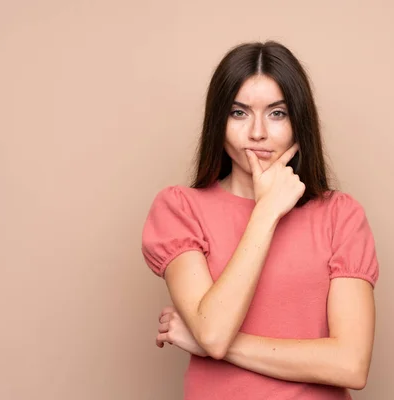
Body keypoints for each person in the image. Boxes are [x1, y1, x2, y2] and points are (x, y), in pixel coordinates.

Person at [141, 41, 380, 400]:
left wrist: (214, 344)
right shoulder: (180, 209)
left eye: (276, 113)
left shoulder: (339, 215)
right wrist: (266, 211)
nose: (257, 133)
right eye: (238, 113)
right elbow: (213, 331)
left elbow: (350, 364)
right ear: (217, 121)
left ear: (300, 121)